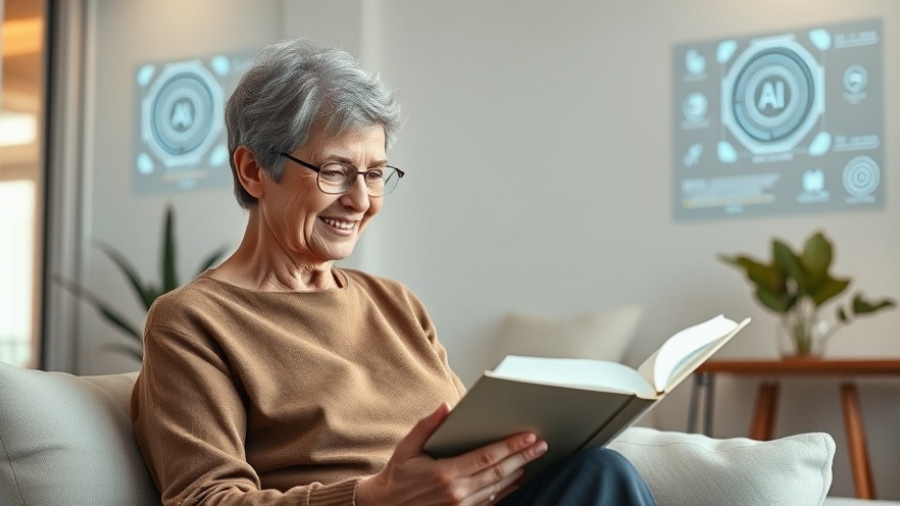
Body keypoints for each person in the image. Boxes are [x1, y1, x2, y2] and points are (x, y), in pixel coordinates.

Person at [130, 39, 658, 506]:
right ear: (253, 171)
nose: (361, 200)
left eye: (376, 174)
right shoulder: (191, 321)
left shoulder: (395, 303)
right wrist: (371, 498)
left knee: (598, 472)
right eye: (336, 172)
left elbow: (464, 439)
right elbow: (205, 499)